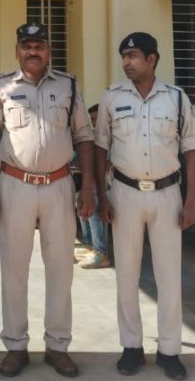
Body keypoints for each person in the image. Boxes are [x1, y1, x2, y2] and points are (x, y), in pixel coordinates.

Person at [0, 22, 95, 379]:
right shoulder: (1, 87)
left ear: (48, 50)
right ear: (18, 50)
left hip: (59, 185)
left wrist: (88, 186)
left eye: (39, 46)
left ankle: (57, 346)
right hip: (15, 185)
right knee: (14, 269)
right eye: (27, 46)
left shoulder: (68, 86)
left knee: (60, 269)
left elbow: (84, 135)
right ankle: (15, 346)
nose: (33, 51)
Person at [94, 32, 195, 380]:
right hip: (124, 194)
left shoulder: (176, 98)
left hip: (167, 194)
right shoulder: (112, 97)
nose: (126, 62)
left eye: (133, 56)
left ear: (152, 59)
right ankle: (131, 347)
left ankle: (170, 351)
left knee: (169, 276)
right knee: (126, 274)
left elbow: (192, 151)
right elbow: (100, 148)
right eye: (123, 56)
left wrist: (191, 202)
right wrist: (101, 196)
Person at [75, 105, 111, 269]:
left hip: (113, 185)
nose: (95, 123)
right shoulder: (92, 138)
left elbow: (110, 164)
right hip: (98, 184)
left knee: (93, 201)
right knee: (80, 199)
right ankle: (88, 244)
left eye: (97, 119)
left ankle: (100, 251)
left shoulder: (112, 137)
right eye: (92, 120)